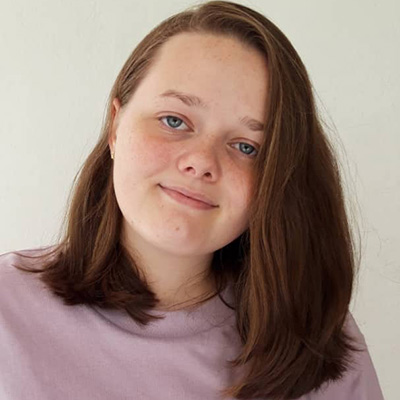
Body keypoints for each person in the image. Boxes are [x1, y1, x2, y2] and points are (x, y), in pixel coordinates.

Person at [0, 1, 385, 399]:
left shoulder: (317, 342)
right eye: (174, 121)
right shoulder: (5, 314)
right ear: (116, 126)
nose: (202, 162)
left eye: (246, 146)